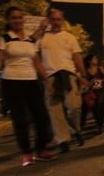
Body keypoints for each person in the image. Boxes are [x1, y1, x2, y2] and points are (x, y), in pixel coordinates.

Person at [0, 6, 55, 167]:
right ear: (8, 20)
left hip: (31, 81)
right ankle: (27, 152)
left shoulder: (30, 40)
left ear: (23, 20)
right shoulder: (4, 39)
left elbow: (36, 62)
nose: (17, 20)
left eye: (20, 17)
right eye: (13, 18)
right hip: (12, 82)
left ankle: (41, 148)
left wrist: (47, 81)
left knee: (42, 117)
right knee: (20, 119)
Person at [37, 8, 88, 153]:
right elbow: (36, 58)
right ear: (48, 20)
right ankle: (63, 140)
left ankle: (75, 130)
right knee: (55, 110)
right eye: (53, 19)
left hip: (68, 74)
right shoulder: (42, 38)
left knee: (74, 106)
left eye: (59, 19)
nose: (56, 22)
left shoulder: (69, 37)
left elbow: (77, 57)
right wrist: (44, 78)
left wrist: (83, 75)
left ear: (63, 21)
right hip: (50, 76)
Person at [80, 53, 101, 130]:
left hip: (99, 91)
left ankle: (99, 124)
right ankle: (80, 126)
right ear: (89, 61)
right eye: (94, 58)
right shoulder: (85, 70)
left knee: (97, 107)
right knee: (84, 108)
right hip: (88, 92)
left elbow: (102, 80)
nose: (96, 60)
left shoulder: (99, 69)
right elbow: (83, 80)